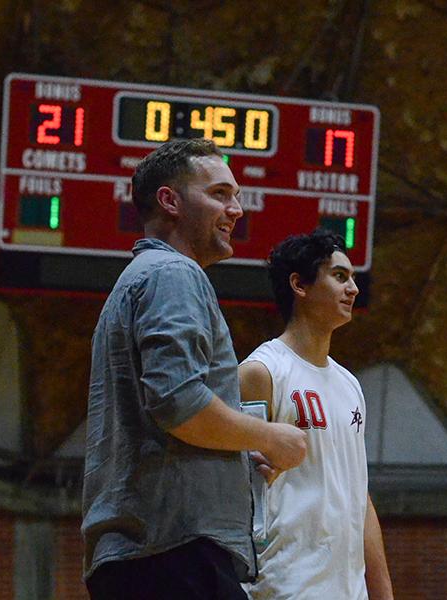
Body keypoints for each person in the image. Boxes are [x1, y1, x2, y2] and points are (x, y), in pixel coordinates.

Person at [81, 138, 307, 600]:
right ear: (170, 201)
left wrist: (241, 455)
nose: (237, 208)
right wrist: (270, 436)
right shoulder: (174, 274)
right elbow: (180, 405)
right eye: (221, 194)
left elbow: (167, 416)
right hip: (174, 552)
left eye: (237, 196)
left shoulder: (137, 279)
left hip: (147, 553)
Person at [239, 229, 394, 600]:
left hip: (348, 591)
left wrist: (383, 592)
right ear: (300, 285)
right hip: (283, 586)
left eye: (353, 278)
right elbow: (238, 492)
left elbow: (359, 495)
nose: (353, 288)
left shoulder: (349, 385)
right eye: (340, 276)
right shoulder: (260, 372)